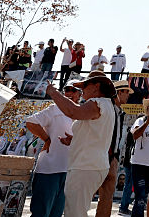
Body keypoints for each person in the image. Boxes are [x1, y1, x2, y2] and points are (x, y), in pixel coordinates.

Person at [45, 72, 118, 217]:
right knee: (76, 210)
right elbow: (96, 135)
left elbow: (73, 111)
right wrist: (75, 139)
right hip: (91, 165)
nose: (81, 89)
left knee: (75, 212)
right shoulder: (107, 105)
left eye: (85, 85)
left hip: (86, 166)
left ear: (97, 86)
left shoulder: (98, 103)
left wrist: (54, 93)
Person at [25, 79, 76, 217]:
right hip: (49, 170)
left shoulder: (80, 115)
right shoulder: (55, 109)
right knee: (41, 213)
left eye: (74, 90)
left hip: (67, 171)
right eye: (67, 90)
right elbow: (30, 122)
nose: (70, 93)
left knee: (57, 213)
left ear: (80, 94)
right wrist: (47, 139)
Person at [95, 80, 132, 217]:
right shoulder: (105, 107)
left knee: (107, 197)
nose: (128, 95)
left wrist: (115, 157)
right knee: (86, 195)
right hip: (100, 155)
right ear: (118, 92)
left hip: (112, 157)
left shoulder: (120, 113)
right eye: (126, 92)